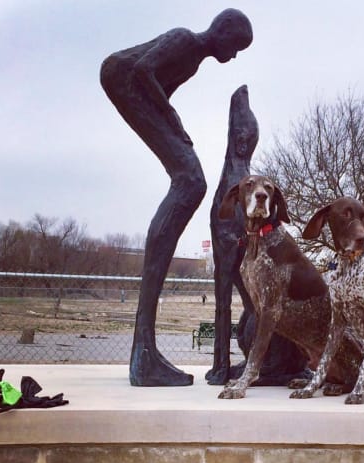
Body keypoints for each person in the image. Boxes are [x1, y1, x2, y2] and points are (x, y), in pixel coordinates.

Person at [100, 9, 253, 386]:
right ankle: (144, 354)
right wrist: (171, 118)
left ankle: (144, 351)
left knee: (190, 180)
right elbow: (142, 72)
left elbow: (159, 87)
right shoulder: (185, 39)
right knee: (191, 181)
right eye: (234, 47)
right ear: (221, 32)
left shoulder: (194, 63)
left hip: (132, 86)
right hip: (121, 79)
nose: (233, 57)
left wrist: (170, 118)